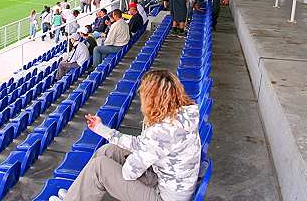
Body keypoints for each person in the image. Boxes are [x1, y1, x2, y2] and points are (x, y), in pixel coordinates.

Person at [50, 70, 201, 201]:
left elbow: (129, 173)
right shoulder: (180, 114)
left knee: (99, 167)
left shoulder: (162, 131)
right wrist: (101, 129)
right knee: (109, 150)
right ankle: (75, 195)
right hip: (165, 180)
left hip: (163, 195)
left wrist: (131, 159)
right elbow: (141, 144)